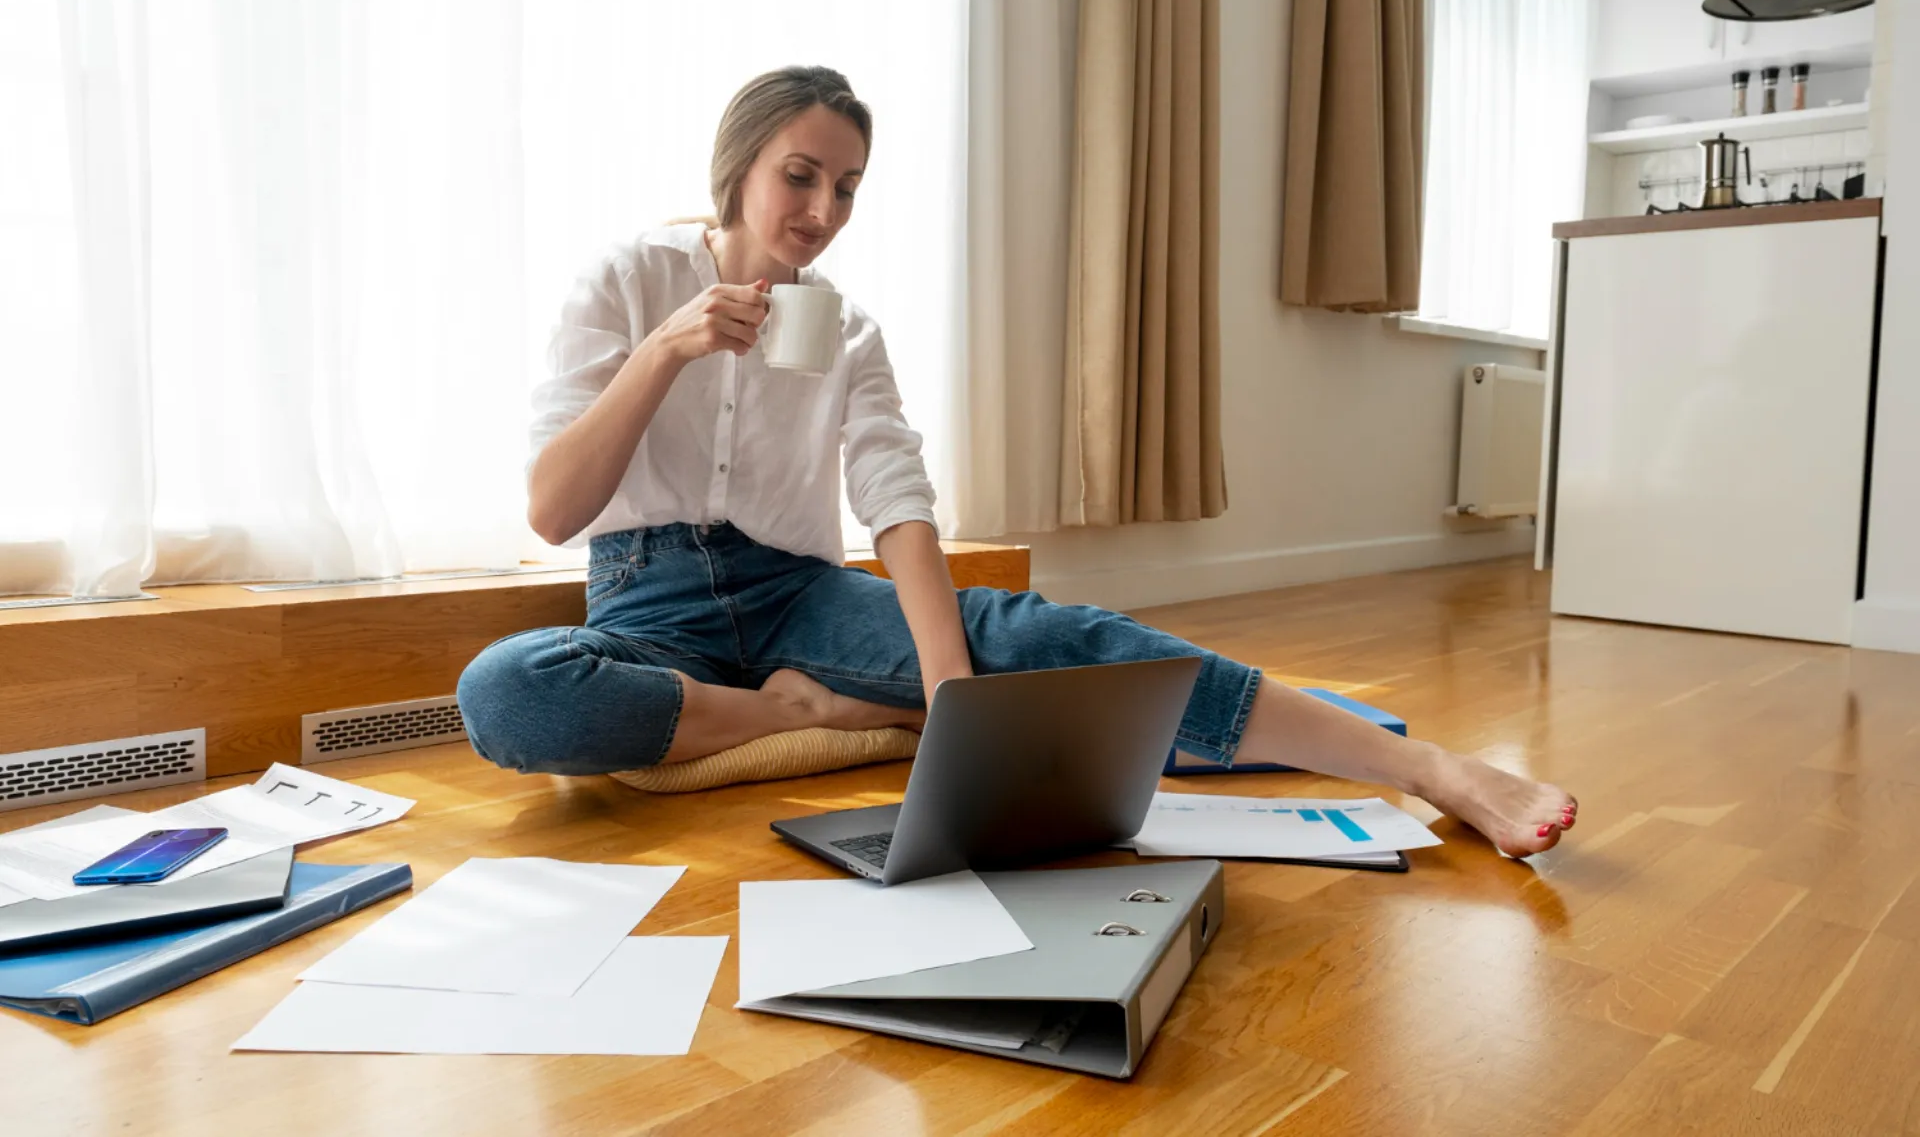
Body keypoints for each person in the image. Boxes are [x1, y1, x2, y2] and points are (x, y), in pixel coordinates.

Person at [457, 66, 1578, 857]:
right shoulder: (625, 280)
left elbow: (894, 498)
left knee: (1051, 637)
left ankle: (1433, 771)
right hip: (644, 597)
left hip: (797, 591)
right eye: (801, 175)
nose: (823, 210)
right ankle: (816, 715)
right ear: (740, 163)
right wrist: (669, 346)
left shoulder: (846, 331)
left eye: (846, 187)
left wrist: (950, 692)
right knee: (508, 693)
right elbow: (557, 513)